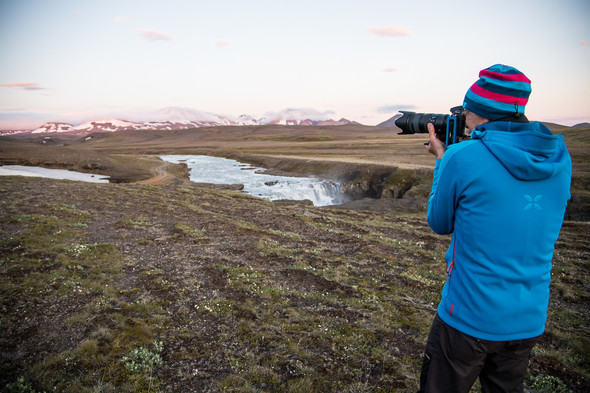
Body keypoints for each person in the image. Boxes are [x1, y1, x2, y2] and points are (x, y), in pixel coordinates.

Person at [418, 64, 572, 393]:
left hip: (468, 317)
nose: (464, 119)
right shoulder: (560, 159)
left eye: (467, 112)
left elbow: (439, 222)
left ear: (485, 117)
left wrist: (443, 160)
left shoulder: (461, 157)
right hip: (527, 317)